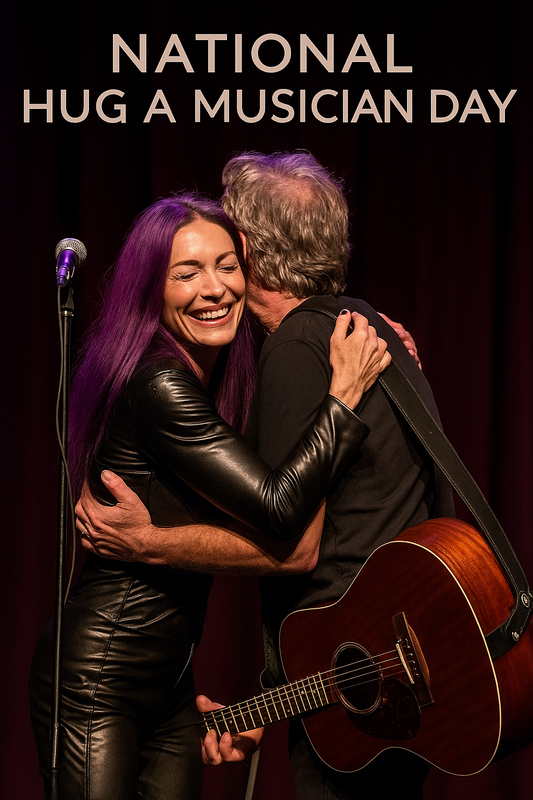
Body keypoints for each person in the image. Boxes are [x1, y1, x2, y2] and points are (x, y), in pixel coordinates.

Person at [76, 154, 455, 800]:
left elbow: (302, 546)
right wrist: (273, 701)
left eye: (224, 257)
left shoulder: (297, 349)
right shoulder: (361, 330)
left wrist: (147, 541)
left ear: (246, 249)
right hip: (383, 670)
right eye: (188, 269)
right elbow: (349, 541)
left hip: (362, 680)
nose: (215, 281)